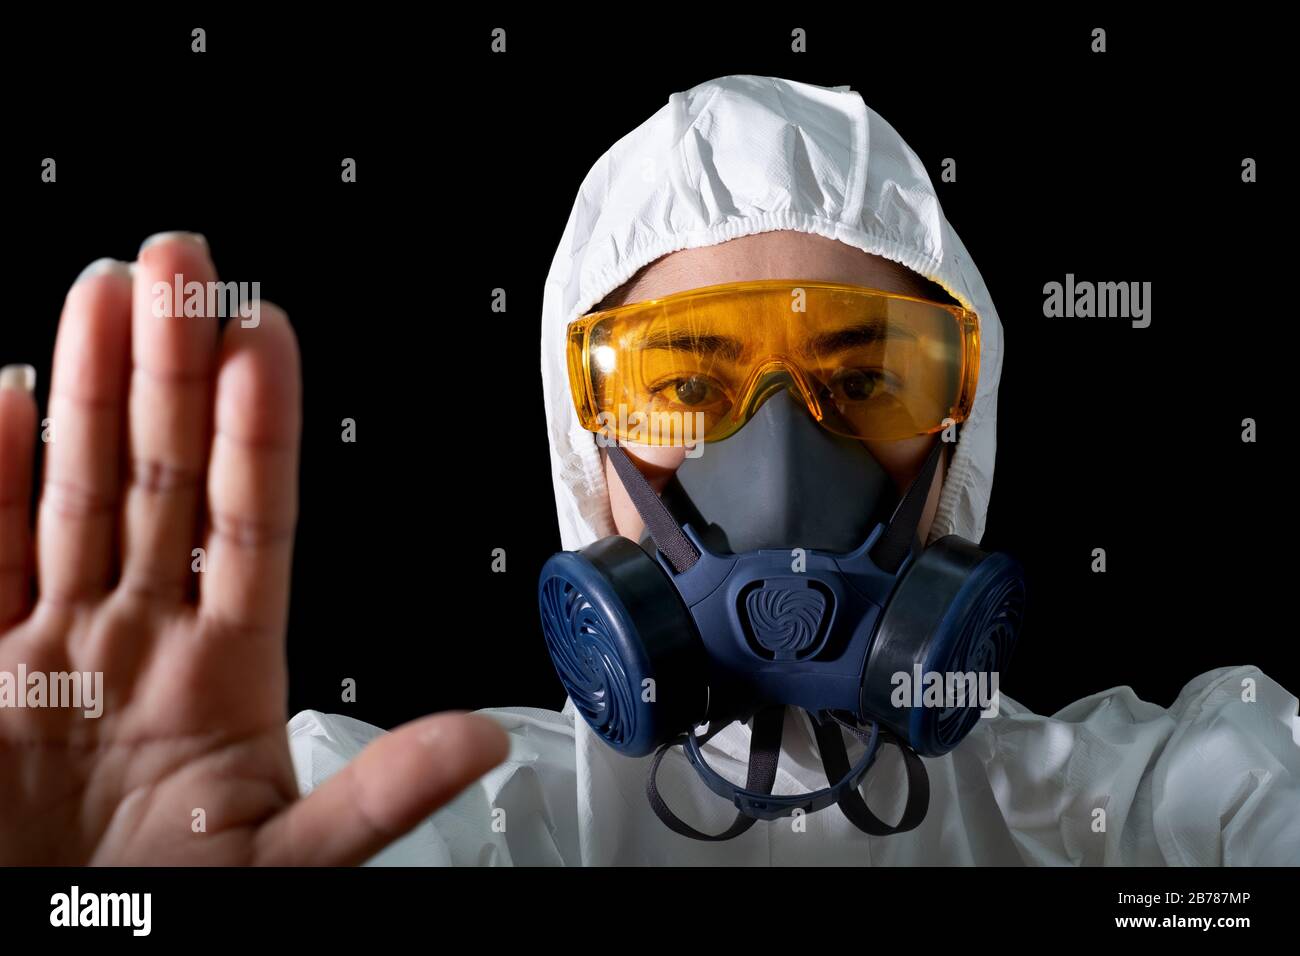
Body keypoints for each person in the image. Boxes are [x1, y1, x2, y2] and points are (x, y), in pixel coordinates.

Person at [1, 76, 1296, 867]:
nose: (785, 452)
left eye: (868, 374)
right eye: (686, 384)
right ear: (586, 449)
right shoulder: (464, 817)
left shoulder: (1153, 819)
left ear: (966, 429)